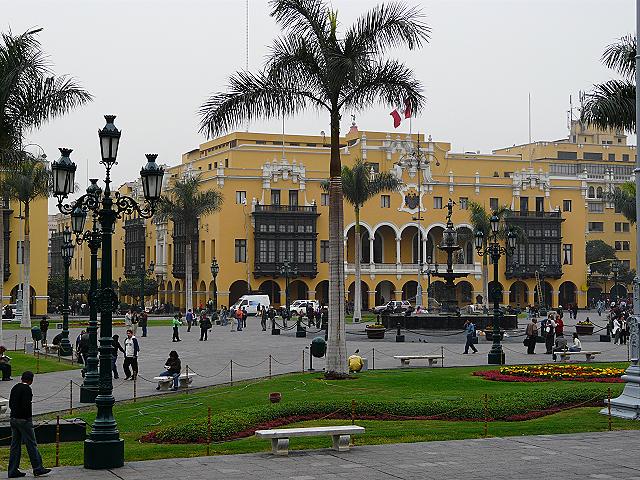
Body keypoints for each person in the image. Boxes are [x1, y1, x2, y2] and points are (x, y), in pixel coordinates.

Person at [8, 371, 51, 478]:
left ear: (22, 378)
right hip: (24, 420)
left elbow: (11, 403)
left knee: (15, 445)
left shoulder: (15, 387)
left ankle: (12, 470)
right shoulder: (27, 389)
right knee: (31, 444)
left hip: (13, 418)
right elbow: (26, 406)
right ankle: (38, 468)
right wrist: (28, 418)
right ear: (31, 380)